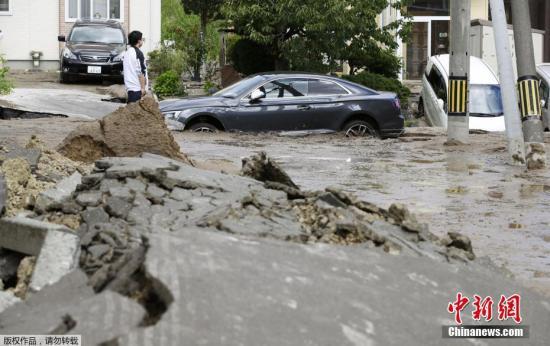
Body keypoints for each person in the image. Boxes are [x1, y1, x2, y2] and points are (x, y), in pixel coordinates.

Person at [123, 30, 148, 103]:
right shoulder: (138, 53)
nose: (142, 41)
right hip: (137, 90)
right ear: (139, 41)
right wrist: (143, 89)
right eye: (142, 39)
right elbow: (141, 73)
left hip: (130, 89)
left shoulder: (127, 53)